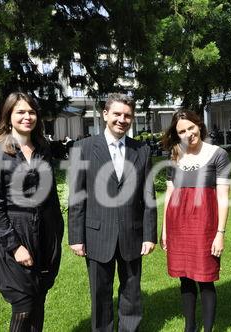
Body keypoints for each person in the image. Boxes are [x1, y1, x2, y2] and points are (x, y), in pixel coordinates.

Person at [67, 93, 157, 332]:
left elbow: (148, 196)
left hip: (132, 234)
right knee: (100, 295)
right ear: (105, 114)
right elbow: (77, 196)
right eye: (117, 113)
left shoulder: (142, 150)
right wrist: (76, 237)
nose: (122, 119)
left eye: (127, 115)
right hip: (97, 234)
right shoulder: (83, 148)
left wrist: (149, 235)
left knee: (131, 295)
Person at [0, 92, 64, 331]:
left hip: (45, 236)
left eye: (32, 112)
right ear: (8, 116)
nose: (27, 117)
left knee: (39, 299)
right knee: (23, 305)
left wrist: (57, 232)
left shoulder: (42, 148)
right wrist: (15, 246)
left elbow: (51, 194)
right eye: (21, 112)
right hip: (16, 234)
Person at [160, 110, 231, 332]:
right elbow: (169, 195)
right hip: (177, 225)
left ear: (199, 125)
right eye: (181, 131)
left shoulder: (218, 154)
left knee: (205, 278)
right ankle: (189, 327)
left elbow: (223, 197)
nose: (188, 133)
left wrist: (220, 233)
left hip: (204, 225)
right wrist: (164, 230)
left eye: (191, 127)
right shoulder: (174, 155)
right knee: (185, 278)